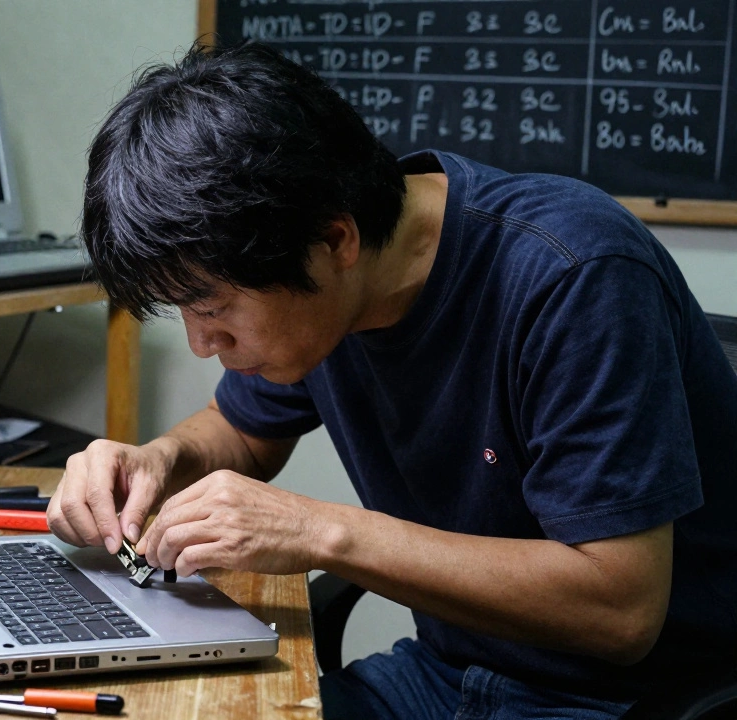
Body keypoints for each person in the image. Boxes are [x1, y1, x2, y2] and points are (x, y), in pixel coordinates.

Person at [48, 42, 737, 719]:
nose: (202, 344)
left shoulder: (574, 275)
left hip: (625, 700)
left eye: (214, 307)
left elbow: (620, 610)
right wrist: (158, 459)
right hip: (445, 676)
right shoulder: (328, 293)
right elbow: (238, 429)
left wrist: (321, 532)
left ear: (335, 241)